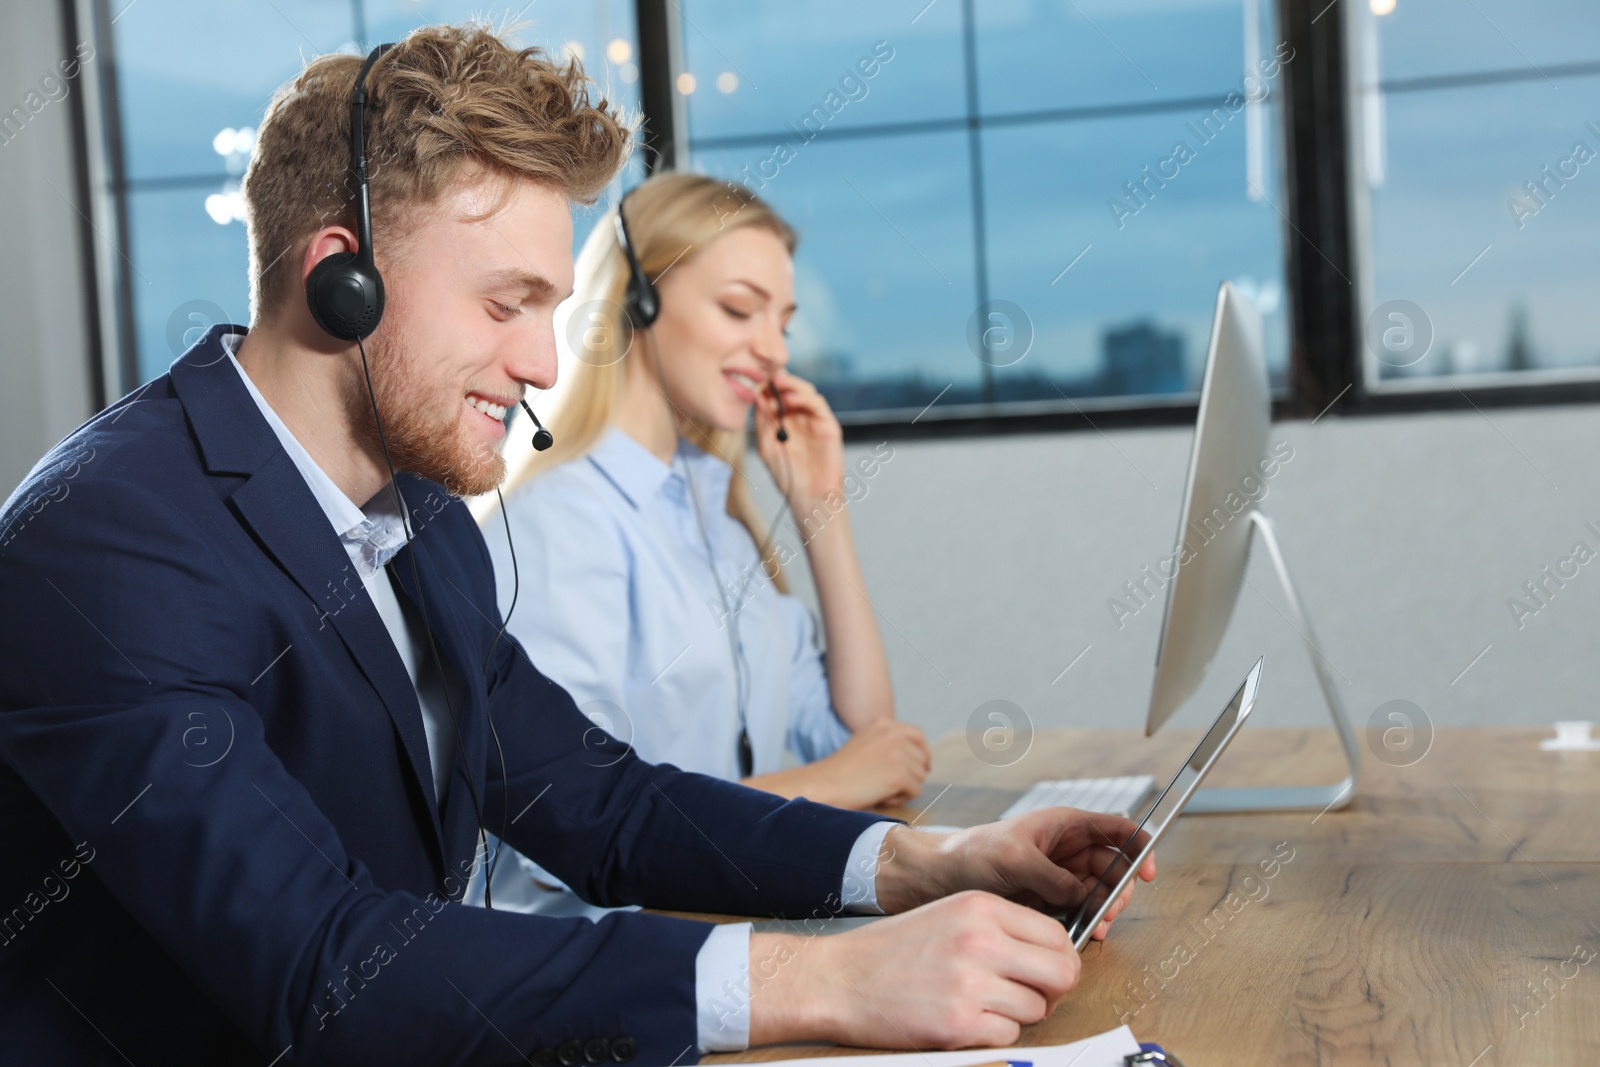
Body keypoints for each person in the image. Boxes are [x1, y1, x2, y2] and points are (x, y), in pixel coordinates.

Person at [0, 24, 1152, 1066]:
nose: (546, 362)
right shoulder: (105, 543)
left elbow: (604, 802)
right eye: (506, 304)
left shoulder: (421, 509)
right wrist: (822, 978)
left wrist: (925, 861)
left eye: (551, 307)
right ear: (338, 279)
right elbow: (320, 962)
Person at [484, 172, 930, 818]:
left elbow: (863, 745)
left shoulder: (716, 518)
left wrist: (822, 508)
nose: (775, 351)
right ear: (640, 301)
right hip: (635, 919)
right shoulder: (558, 523)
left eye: (783, 323)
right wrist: (825, 785)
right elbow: (567, 819)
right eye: (739, 310)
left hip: (732, 909)